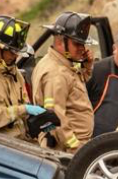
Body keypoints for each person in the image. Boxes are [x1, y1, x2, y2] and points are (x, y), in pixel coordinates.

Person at [0, 15, 51, 139]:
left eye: (17, 52)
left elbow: (23, 111)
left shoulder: (14, 72)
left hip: (21, 142)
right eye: (11, 51)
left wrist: (40, 122)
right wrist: (24, 109)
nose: (15, 56)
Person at [30, 11, 95, 151]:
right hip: (65, 148)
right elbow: (56, 117)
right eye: (77, 43)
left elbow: (74, 88)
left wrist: (86, 67)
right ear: (60, 41)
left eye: (83, 44)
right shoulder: (56, 73)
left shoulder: (62, 64)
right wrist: (75, 147)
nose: (82, 49)